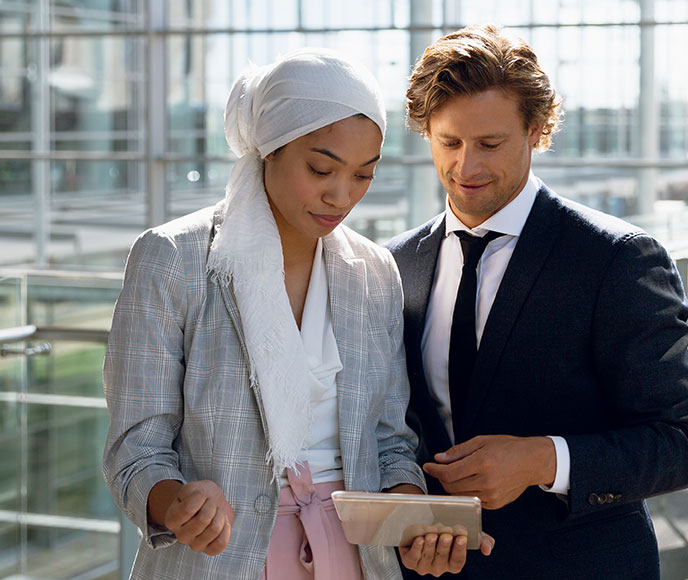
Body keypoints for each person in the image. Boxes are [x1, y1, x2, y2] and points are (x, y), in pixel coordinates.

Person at [102, 48, 474, 580]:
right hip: (218, 561)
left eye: (363, 175)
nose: (341, 195)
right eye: (321, 168)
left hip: (354, 557)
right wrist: (177, 502)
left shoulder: (373, 272)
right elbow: (135, 449)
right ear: (268, 151)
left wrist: (413, 519)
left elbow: (390, 442)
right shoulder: (173, 259)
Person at [387, 24, 688, 579]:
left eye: (490, 144)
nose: (467, 167)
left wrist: (542, 459)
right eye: (449, 142)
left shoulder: (618, 259)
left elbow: (680, 442)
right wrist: (406, 514)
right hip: (437, 571)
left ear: (536, 131)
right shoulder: (393, 264)